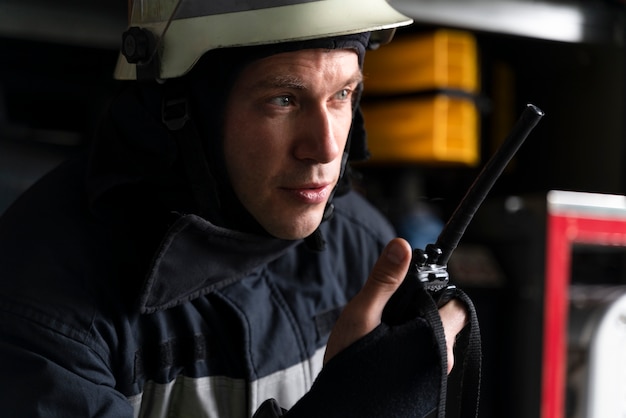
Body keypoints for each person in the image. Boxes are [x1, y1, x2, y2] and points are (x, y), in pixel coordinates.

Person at [0, 1, 474, 417]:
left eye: (342, 95)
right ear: (183, 108)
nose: (325, 147)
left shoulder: (363, 246)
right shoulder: (40, 310)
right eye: (284, 100)